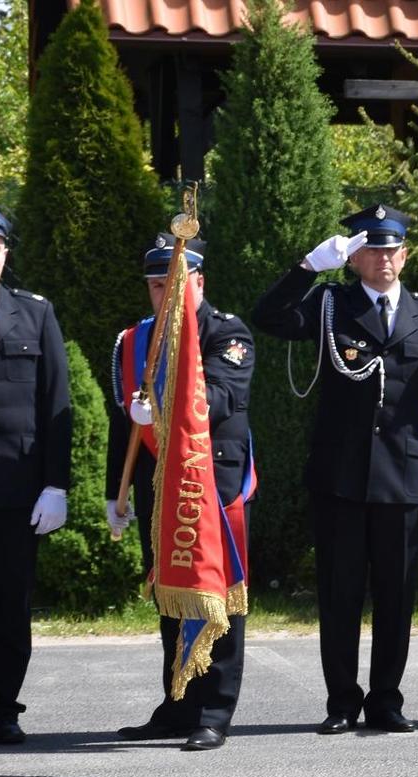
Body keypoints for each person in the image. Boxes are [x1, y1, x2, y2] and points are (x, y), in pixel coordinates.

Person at [252, 205, 418, 735]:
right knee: (340, 594)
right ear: (353, 259)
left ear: (405, 256)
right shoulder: (329, 305)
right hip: (340, 478)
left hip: (403, 479)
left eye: (391, 250)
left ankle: (386, 699)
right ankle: (342, 700)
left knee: (396, 596)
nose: (383, 259)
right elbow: (268, 317)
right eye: (372, 250)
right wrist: (306, 268)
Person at [108, 234, 255, 751]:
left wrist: (160, 401)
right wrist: (115, 491)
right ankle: (178, 704)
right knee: (171, 594)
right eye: (156, 285)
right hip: (158, 487)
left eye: (174, 283)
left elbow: (220, 398)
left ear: (199, 282)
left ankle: (214, 712)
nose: (165, 294)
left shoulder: (226, 332)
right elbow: (124, 425)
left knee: (218, 597)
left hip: (210, 485)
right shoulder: (135, 341)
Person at [0, 208, 71, 745]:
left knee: (8, 603)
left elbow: (55, 403)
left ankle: (2, 707)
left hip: (14, 487)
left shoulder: (35, 312)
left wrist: (55, 483)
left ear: (5, 253)